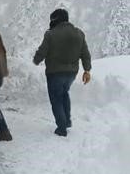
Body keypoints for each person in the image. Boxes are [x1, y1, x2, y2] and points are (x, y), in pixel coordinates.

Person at [33, 8, 91, 137]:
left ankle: (61, 127)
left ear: (55, 19)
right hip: (72, 73)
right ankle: (67, 120)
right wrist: (87, 70)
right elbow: (85, 54)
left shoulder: (50, 34)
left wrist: (36, 60)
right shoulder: (79, 33)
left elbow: (42, 51)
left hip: (55, 72)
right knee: (64, 94)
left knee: (56, 99)